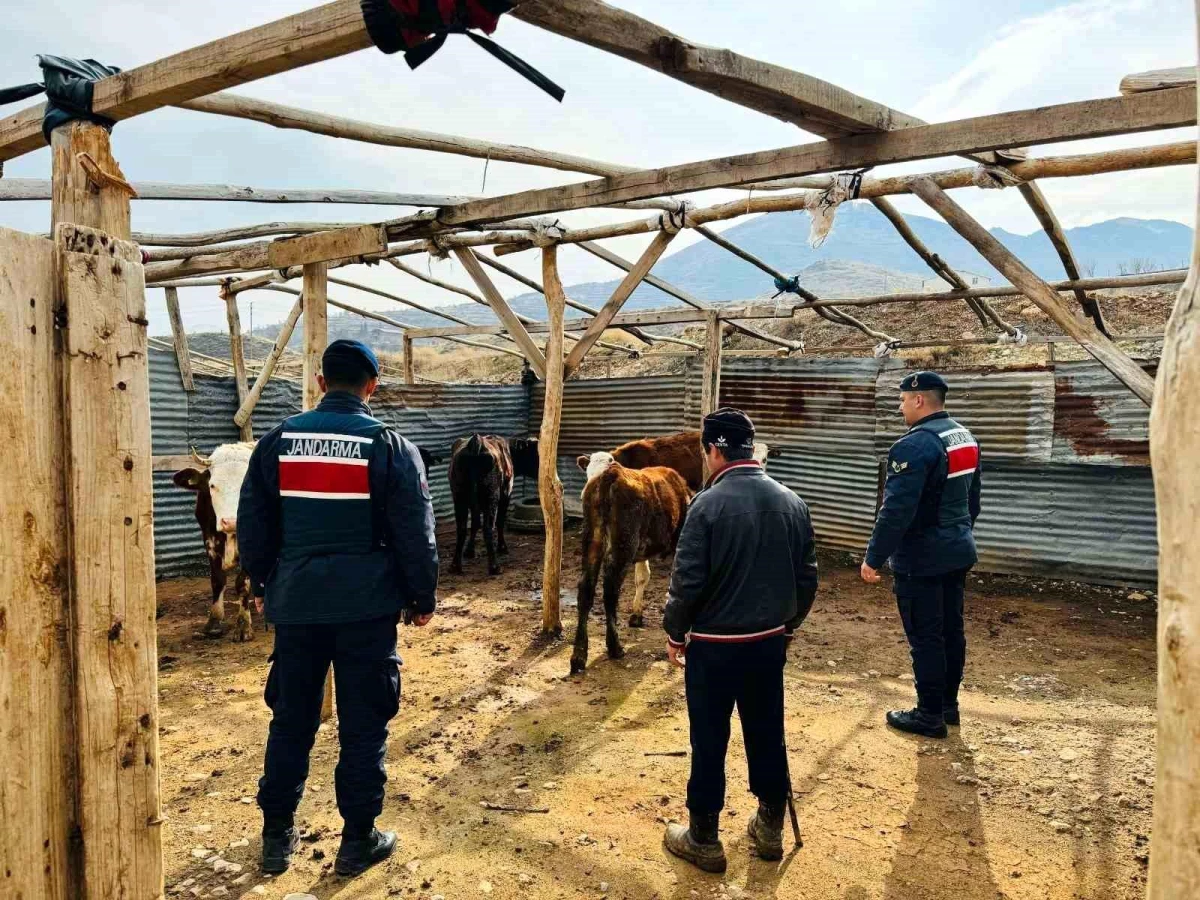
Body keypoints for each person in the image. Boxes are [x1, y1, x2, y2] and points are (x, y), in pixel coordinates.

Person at [238, 339, 439, 877]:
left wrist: (259, 582)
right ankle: (357, 842)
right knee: (364, 724)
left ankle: (276, 839)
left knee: (291, 722)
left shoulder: (278, 441)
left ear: (322, 383)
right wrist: (422, 597)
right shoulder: (389, 446)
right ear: (371, 386)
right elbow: (415, 533)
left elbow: (254, 522)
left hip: (297, 607)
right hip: (366, 610)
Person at [661, 408, 819, 873]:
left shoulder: (705, 505)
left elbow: (686, 582)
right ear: (750, 448)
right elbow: (807, 577)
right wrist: (788, 626)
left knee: (709, 737)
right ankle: (769, 826)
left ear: (713, 451)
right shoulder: (792, 501)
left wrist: (674, 632)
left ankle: (704, 838)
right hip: (768, 643)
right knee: (767, 729)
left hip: (713, 646)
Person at [861, 370, 982, 739]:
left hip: (924, 557)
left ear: (918, 400)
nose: (900, 408)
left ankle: (928, 715)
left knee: (926, 636)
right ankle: (948, 706)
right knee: (950, 630)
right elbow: (972, 499)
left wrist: (873, 557)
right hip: (957, 549)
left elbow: (896, 510)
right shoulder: (963, 436)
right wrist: (958, 533)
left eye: (902, 401)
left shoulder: (914, 446)